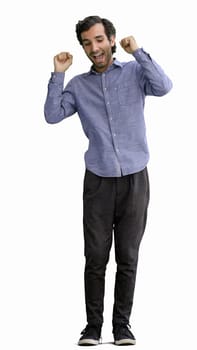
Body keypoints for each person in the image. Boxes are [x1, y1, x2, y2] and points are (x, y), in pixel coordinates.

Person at [44, 15, 172, 346]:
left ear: (111, 40)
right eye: (87, 43)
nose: (94, 48)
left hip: (135, 180)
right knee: (96, 258)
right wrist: (58, 74)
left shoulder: (133, 72)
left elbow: (164, 86)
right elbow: (52, 115)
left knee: (128, 256)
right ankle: (92, 328)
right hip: (98, 182)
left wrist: (139, 51)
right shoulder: (78, 86)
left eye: (99, 40)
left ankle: (122, 328)